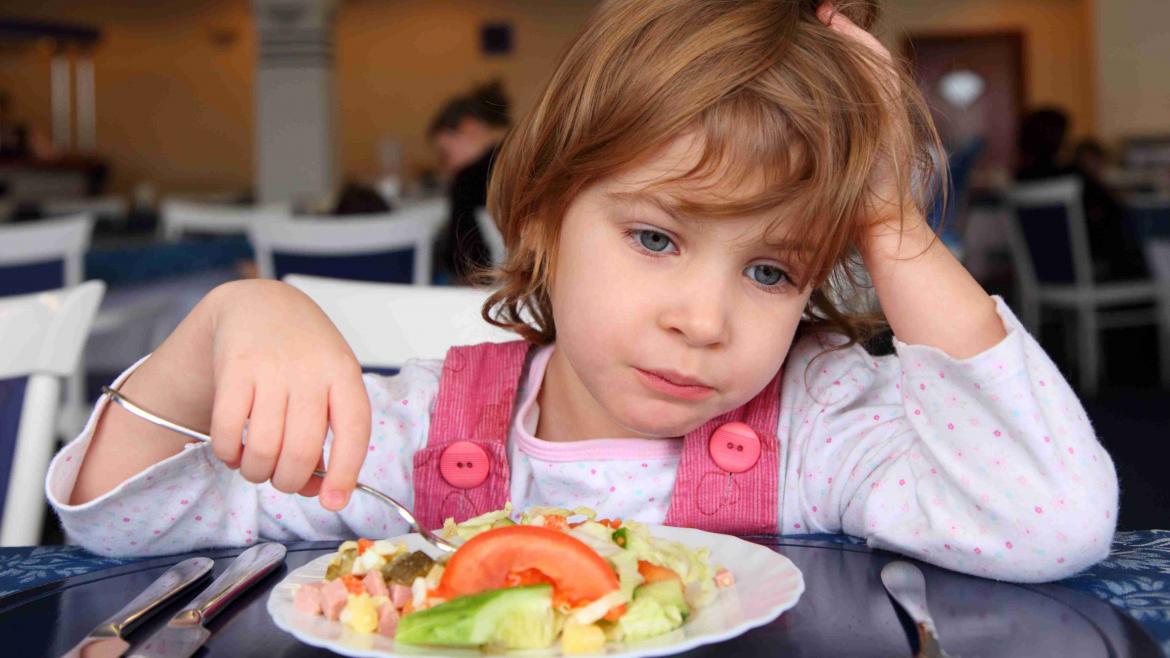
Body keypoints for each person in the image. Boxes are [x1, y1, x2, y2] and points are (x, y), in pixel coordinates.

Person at [48, 0, 1116, 584]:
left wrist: (893, 227)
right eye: (656, 236)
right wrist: (228, 321)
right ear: (544, 218)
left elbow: (1048, 520)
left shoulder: (818, 429)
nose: (703, 319)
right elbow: (130, 526)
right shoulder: (414, 435)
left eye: (770, 269)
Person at [1016, 107, 1147, 280]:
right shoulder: (1072, 176)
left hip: (1043, 270)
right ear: (1061, 139)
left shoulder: (1020, 179)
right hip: (1091, 265)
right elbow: (1113, 208)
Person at [429, 80, 510, 283]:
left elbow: (461, 258)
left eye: (445, 154)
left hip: (484, 289)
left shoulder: (468, 179)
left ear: (469, 127)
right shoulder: (520, 157)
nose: (447, 168)